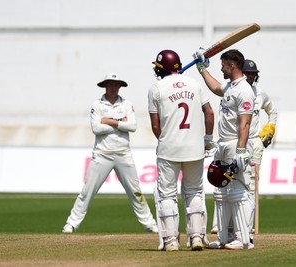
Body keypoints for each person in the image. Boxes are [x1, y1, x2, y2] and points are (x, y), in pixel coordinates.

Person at [62, 73, 158, 234]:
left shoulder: (126, 104)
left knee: (136, 192)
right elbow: (96, 129)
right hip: (102, 154)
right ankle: (71, 224)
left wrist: (109, 120)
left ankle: (150, 224)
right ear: (105, 86)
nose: (113, 88)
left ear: (120, 86)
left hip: (123, 153)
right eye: (110, 84)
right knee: (87, 191)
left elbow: (133, 126)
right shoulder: (97, 104)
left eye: (116, 84)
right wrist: (121, 122)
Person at [148, 50, 215, 251]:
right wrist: (208, 139)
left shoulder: (156, 88)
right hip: (195, 148)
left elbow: (155, 125)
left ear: (164, 69)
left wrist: (167, 140)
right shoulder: (194, 84)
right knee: (194, 191)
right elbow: (209, 113)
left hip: (169, 148)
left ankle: (170, 241)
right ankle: (196, 237)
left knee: (167, 194)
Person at [194, 48, 256, 250]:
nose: (221, 68)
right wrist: (202, 68)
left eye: (222, 65)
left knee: (237, 192)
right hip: (222, 143)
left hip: (234, 144)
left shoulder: (244, 90)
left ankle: (243, 239)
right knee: (221, 191)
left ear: (232, 65)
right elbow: (214, 88)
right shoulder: (230, 86)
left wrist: (240, 151)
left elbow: (244, 124)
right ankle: (223, 237)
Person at [210, 59, 278, 236]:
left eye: (253, 74)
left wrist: (270, 128)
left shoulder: (260, 93)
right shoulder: (233, 89)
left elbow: (273, 112)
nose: (250, 76)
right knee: (223, 184)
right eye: (248, 73)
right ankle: (222, 226)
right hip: (236, 141)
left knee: (249, 185)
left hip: (254, 142)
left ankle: (245, 227)